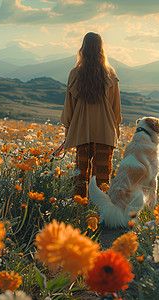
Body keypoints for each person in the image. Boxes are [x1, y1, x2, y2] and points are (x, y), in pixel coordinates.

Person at [61, 32, 121, 198]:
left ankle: (79, 211)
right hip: (105, 131)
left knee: (81, 176)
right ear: (101, 48)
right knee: (102, 178)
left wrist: (68, 129)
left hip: (82, 131)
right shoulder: (110, 74)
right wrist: (116, 127)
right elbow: (116, 107)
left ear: (83, 48)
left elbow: (69, 105)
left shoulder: (75, 74)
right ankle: (99, 214)